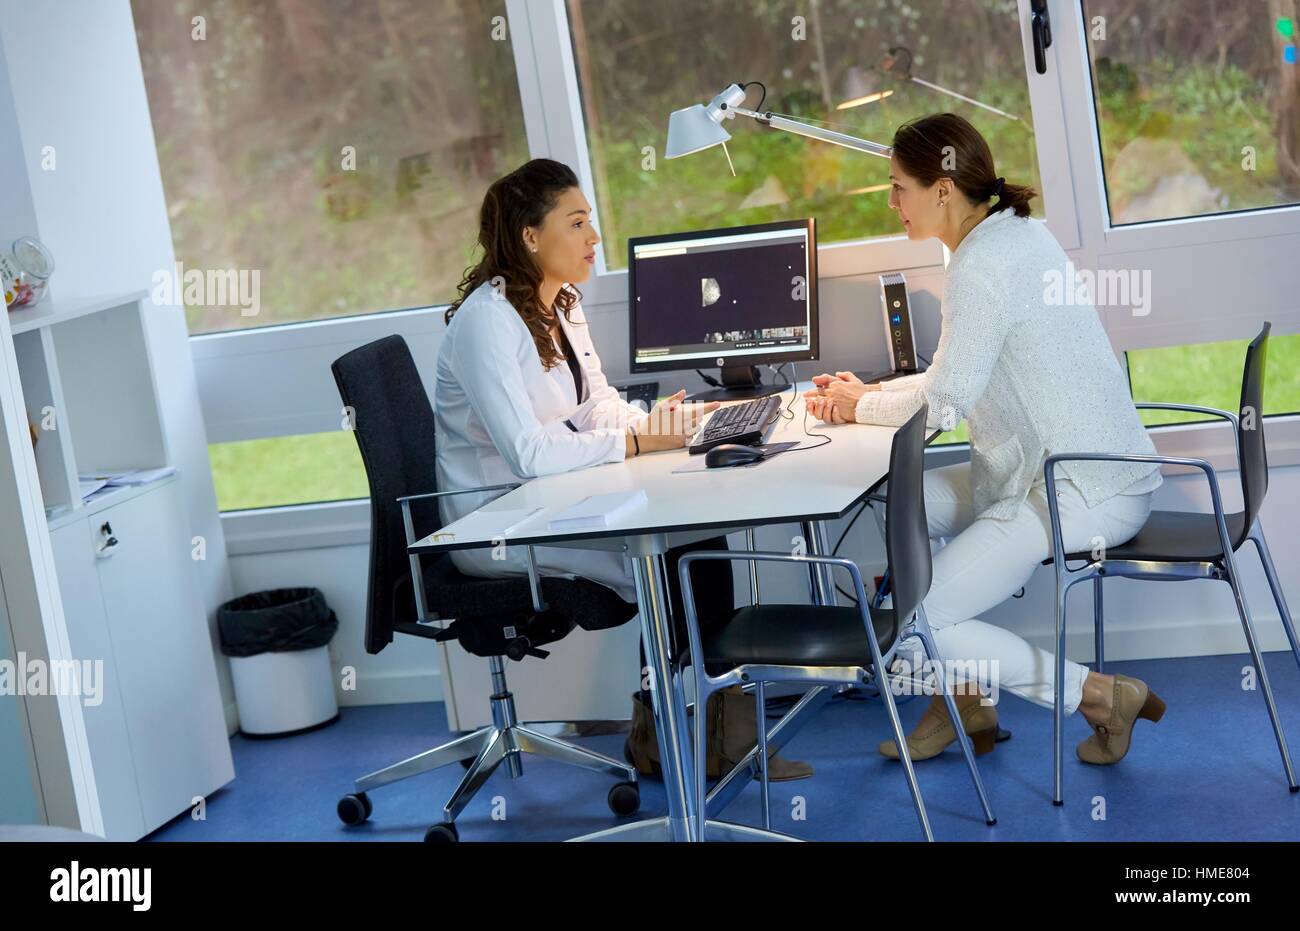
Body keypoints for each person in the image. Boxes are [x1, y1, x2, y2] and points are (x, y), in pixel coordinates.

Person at [805, 114, 1165, 766]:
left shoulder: (983, 265)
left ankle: (1099, 695)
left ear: (942, 188)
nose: (891, 202)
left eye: (897, 187)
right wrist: (868, 397)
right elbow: (955, 374)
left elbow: (944, 402)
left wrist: (861, 403)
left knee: (915, 623)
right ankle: (964, 699)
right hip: (1045, 468)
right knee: (905, 503)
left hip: (1080, 486)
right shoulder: (1011, 236)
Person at [434, 158, 811, 780]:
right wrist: (634, 446)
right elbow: (529, 453)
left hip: (548, 497)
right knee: (667, 558)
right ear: (531, 236)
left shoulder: (560, 304)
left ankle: (699, 729)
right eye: (577, 223)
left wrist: (650, 421)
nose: (594, 238)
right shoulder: (488, 323)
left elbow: (595, 404)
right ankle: (676, 733)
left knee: (697, 539)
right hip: (495, 523)